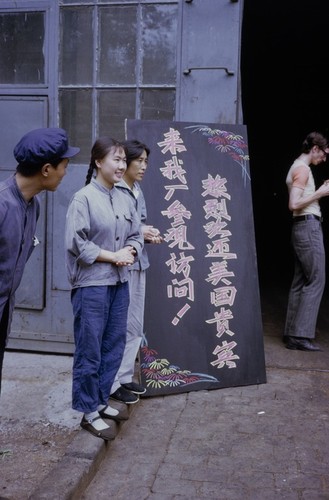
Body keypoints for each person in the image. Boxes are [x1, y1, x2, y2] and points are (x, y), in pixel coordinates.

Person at [64, 137, 144, 441]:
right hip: (92, 285)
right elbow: (76, 243)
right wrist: (113, 256)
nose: (122, 166)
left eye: (125, 160)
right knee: (90, 348)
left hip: (119, 282)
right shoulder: (83, 198)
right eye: (117, 160)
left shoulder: (125, 198)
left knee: (113, 345)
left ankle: (99, 402)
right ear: (99, 162)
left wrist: (132, 252)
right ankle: (88, 412)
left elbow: (136, 235)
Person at [0, 127, 80, 394]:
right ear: (47, 169)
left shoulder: (32, 205)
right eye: (64, 166)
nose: (65, 173)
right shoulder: (2, 205)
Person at [109, 140, 162, 405]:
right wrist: (141, 231)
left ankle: (126, 376)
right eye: (138, 161)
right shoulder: (115, 190)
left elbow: (137, 224)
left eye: (146, 162)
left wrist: (147, 232)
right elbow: (115, 227)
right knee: (119, 324)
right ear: (124, 162)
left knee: (135, 325)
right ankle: (113, 382)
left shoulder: (137, 189)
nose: (143, 167)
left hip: (139, 262)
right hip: (120, 266)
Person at [283, 131, 329, 351]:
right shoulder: (302, 169)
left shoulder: (296, 167)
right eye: (324, 153)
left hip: (301, 227)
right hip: (308, 226)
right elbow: (294, 204)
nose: (325, 159)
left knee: (301, 280)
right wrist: (320, 193)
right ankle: (300, 335)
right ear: (315, 149)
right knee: (317, 278)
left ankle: (292, 333)